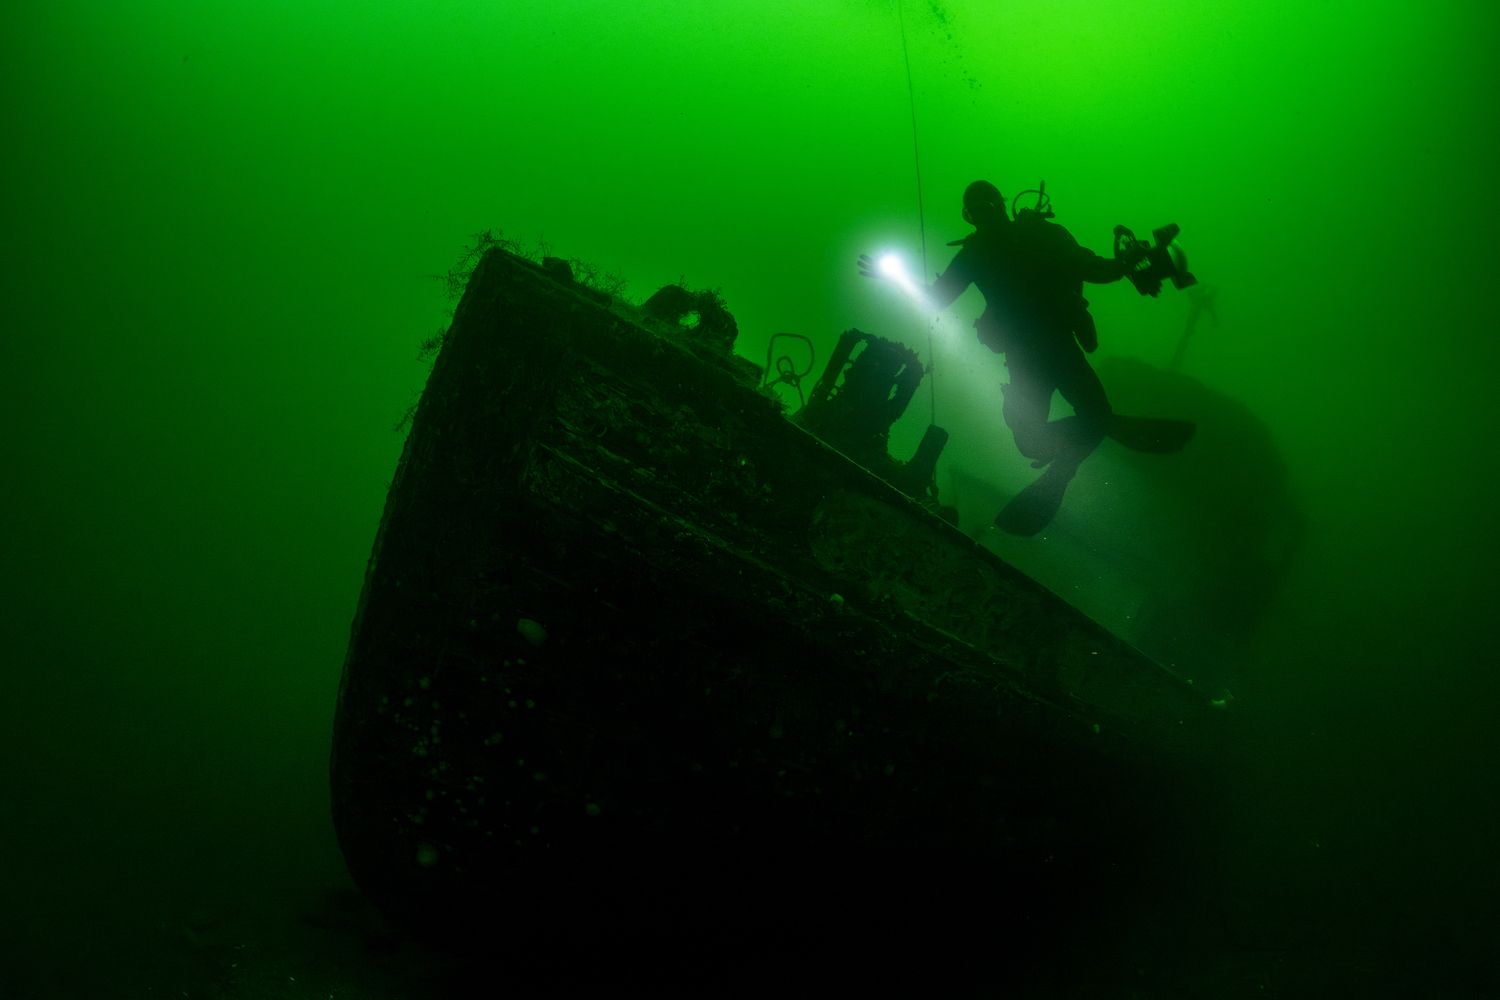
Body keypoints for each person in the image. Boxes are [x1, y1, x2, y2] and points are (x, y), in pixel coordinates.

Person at [859, 180, 1194, 536]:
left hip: (1051, 347)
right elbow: (938, 298)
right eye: (975, 212)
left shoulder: (1032, 236)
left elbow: (1095, 268)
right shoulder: (979, 252)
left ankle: (1065, 468)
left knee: (1065, 427)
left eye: (985, 208)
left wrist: (1132, 262)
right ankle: (1100, 423)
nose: (982, 217)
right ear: (970, 216)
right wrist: (894, 279)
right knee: (1036, 441)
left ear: (1001, 206)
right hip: (1030, 355)